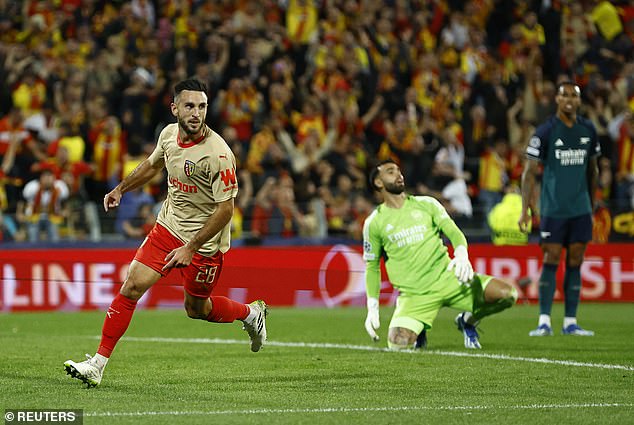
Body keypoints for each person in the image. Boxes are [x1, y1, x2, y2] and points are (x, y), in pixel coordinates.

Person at [64, 79, 268, 388]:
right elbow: (151, 165)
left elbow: (225, 210)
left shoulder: (219, 155)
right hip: (167, 227)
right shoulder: (169, 135)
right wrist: (121, 188)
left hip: (204, 243)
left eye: (202, 106)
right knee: (131, 286)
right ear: (175, 109)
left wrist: (191, 246)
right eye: (189, 106)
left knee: (196, 309)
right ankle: (97, 364)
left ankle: (250, 313)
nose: (196, 113)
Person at [363, 159, 518, 350]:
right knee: (398, 345)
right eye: (390, 171)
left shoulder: (427, 204)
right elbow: (372, 266)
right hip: (415, 294)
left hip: (449, 279)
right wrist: (372, 306)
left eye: (398, 170)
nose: (398, 174)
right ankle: (419, 329)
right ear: (378, 183)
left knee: (507, 294)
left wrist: (461, 255)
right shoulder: (374, 222)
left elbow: (454, 233)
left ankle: (467, 321)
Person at [519, 81, 600, 337]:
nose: (569, 100)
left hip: (580, 208)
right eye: (564, 95)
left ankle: (570, 323)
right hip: (553, 209)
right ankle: (544, 321)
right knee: (551, 259)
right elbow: (529, 173)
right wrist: (526, 210)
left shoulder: (588, 129)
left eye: (573, 96)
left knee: (576, 261)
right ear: (556, 99)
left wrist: (592, 202)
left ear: (579, 101)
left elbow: (593, 169)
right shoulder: (544, 132)